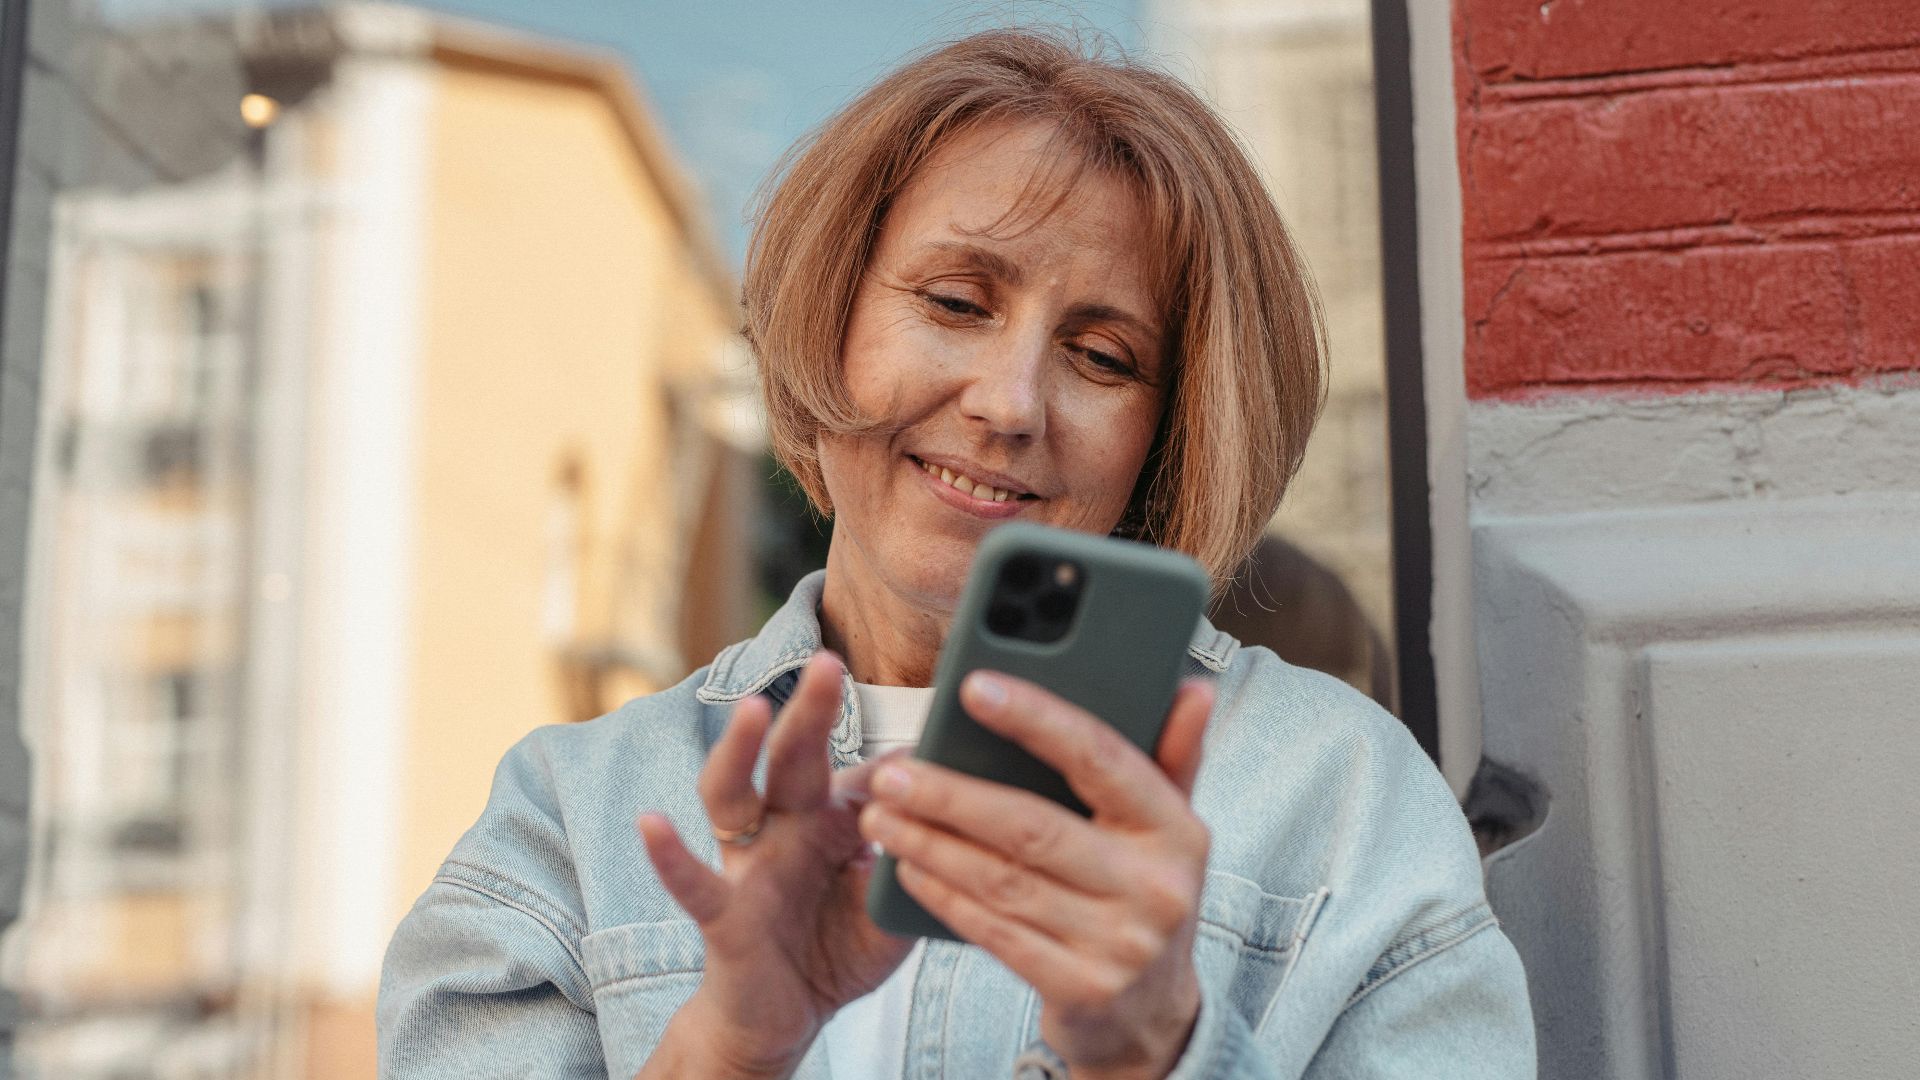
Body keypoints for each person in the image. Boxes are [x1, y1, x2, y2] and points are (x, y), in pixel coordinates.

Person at [378, 27, 1535, 1080]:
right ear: (830, 319)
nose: (1010, 402)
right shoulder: (576, 817)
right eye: (955, 301)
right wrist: (726, 1052)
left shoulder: (1341, 802)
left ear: (1169, 437)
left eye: (1103, 357)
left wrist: (1155, 1053)